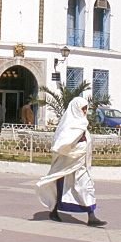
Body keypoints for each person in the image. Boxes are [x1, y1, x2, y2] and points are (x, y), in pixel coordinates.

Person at [36, 96, 106, 227]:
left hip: (80, 163)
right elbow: (62, 142)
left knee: (86, 186)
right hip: (67, 163)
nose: (85, 111)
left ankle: (92, 217)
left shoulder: (82, 123)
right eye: (83, 108)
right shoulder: (70, 125)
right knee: (61, 188)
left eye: (86, 108)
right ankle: (54, 211)